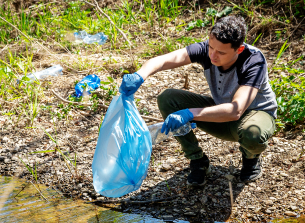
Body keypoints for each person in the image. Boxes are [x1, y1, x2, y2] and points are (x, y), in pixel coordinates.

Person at [119, 15, 277, 186]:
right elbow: (163, 60)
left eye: (221, 52)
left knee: (253, 134)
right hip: (220, 113)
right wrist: (139, 75)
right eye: (211, 48)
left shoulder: (253, 61)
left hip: (254, 115)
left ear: (238, 50)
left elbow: (235, 110)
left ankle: (251, 157)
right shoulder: (208, 51)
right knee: (168, 99)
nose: (213, 56)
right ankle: (198, 161)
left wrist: (189, 114)